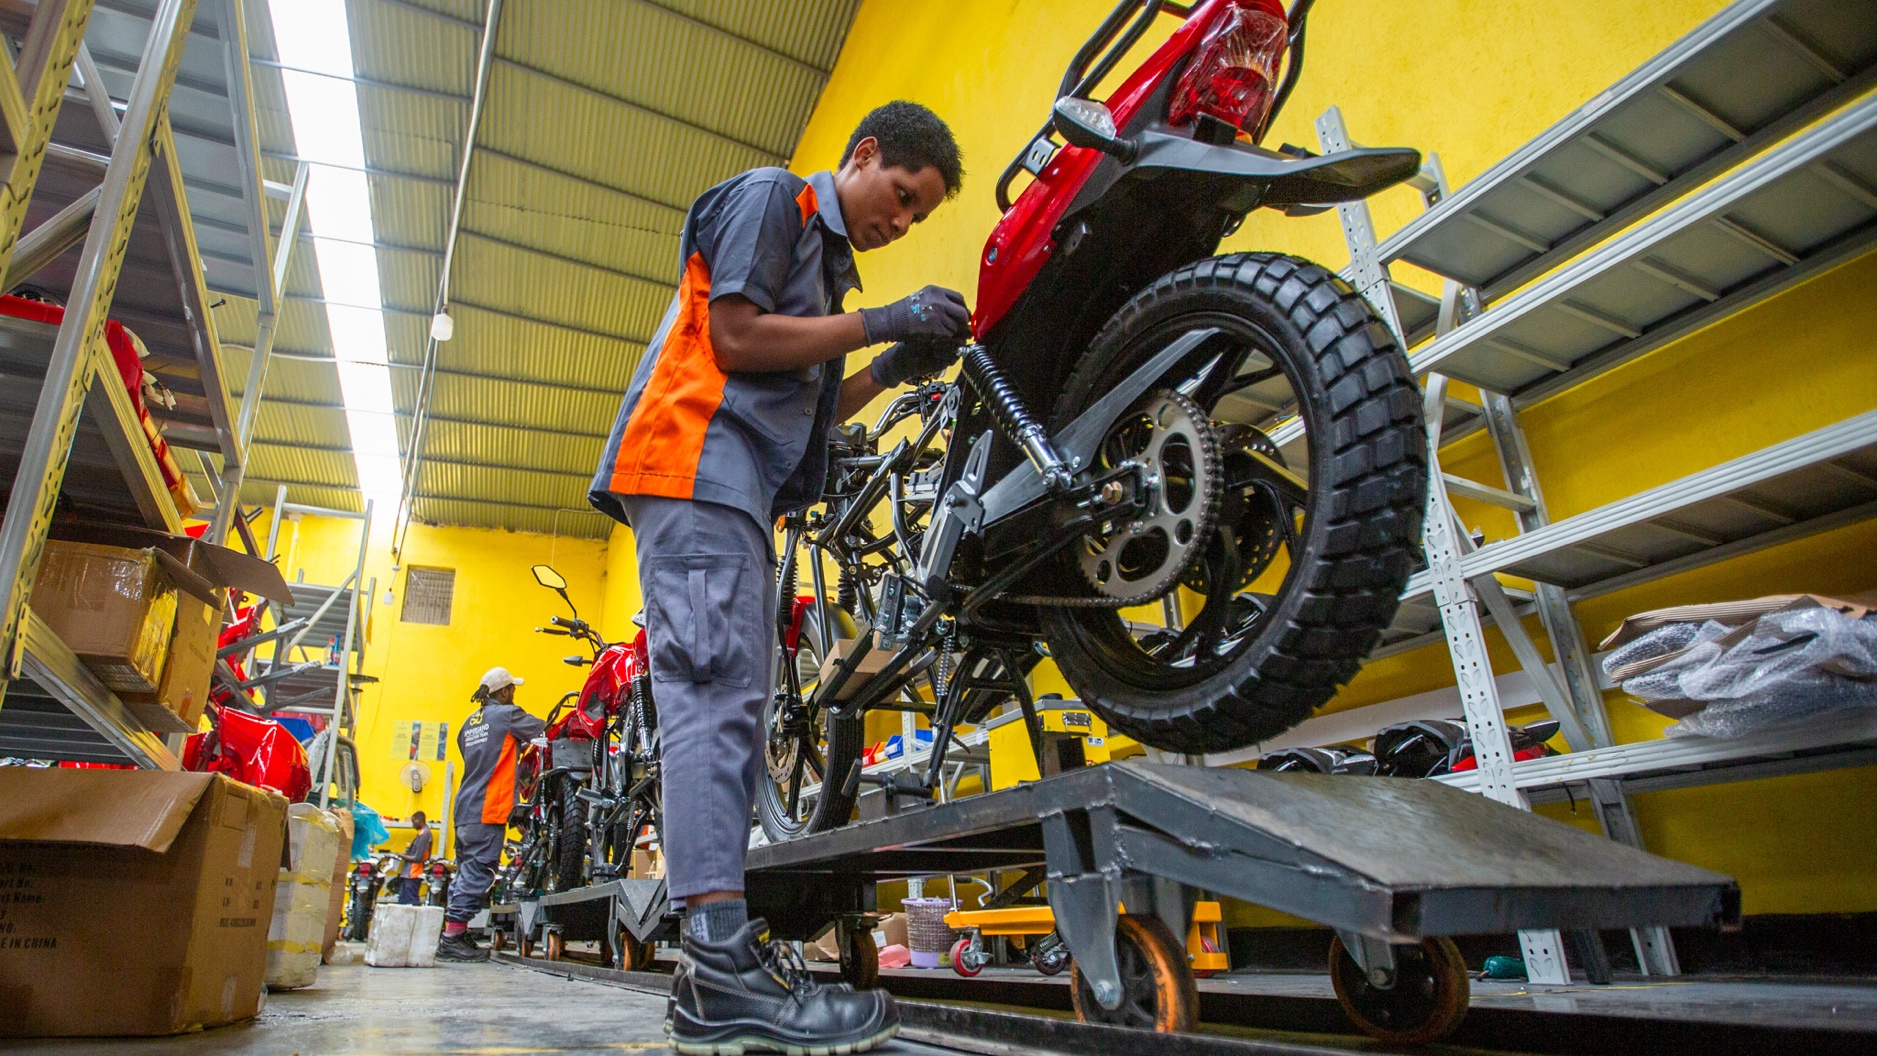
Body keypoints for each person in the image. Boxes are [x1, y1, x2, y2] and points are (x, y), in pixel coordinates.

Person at [589, 100, 966, 1055]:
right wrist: (877, 316)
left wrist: (884, 363)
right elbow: (736, 342)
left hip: (734, 488)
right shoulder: (776, 201)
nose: (900, 220)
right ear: (865, 154)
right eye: (901, 195)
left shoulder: (825, 265)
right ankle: (719, 972)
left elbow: (801, 409)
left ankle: (709, 978)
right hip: (694, 469)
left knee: (732, 711)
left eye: (917, 215)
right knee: (713, 702)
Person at [436, 667, 545, 963]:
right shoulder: (507, 715)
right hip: (488, 808)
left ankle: (454, 931)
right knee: (477, 873)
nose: (514, 694)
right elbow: (544, 729)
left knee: (465, 873)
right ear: (504, 691)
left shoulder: (467, 724)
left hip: (464, 809)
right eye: (512, 689)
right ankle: (452, 940)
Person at [395, 810, 431, 905]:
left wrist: (402, 856)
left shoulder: (424, 835)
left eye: (413, 822)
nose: (413, 825)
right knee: (402, 901)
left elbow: (418, 858)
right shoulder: (422, 834)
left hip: (413, 873)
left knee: (412, 901)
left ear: (419, 820)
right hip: (409, 873)